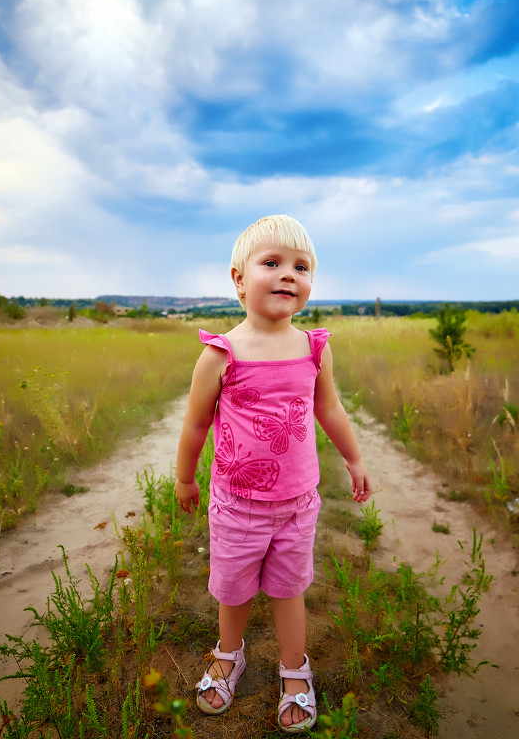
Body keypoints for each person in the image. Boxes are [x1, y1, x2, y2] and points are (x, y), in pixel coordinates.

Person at [175, 214, 371, 733]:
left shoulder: (314, 349)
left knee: (288, 589)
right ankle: (228, 655)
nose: (289, 275)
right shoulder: (220, 354)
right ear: (238, 279)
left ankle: (294, 669)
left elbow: (331, 411)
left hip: (296, 503)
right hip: (237, 504)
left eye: (301, 267)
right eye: (272, 263)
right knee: (233, 589)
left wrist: (353, 458)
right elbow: (196, 424)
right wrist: (185, 478)